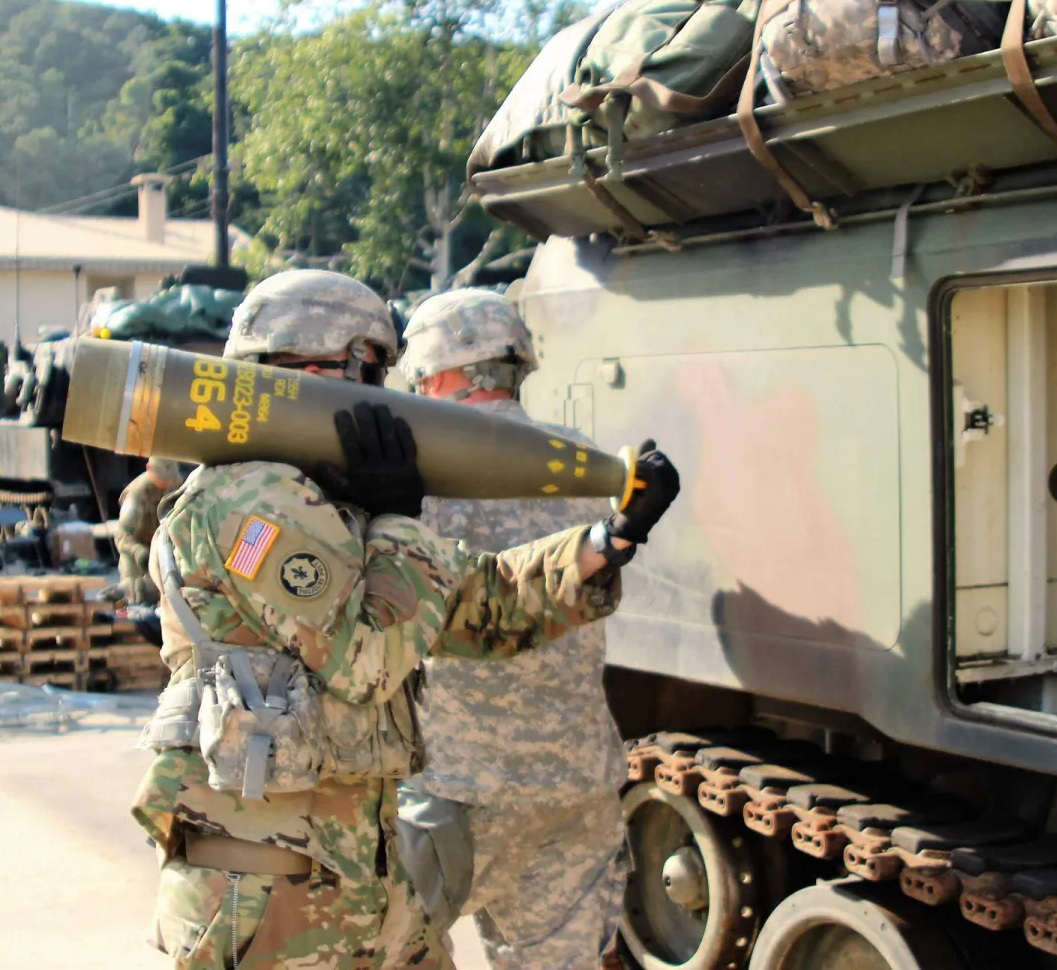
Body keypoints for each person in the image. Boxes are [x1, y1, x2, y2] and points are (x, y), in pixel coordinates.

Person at [129, 270, 680, 970]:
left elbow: (463, 602)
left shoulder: (320, 493)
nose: (383, 393)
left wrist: (608, 543)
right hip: (269, 893)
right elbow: (367, 659)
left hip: (356, 875)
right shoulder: (247, 499)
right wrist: (396, 518)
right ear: (323, 367)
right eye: (368, 370)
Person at [393, 288, 630, 970]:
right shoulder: (583, 461)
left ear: (436, 372)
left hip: (457, 790)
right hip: (575, 785)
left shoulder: (420, 477)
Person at [112, 457, 184, 606]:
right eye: (164, 479)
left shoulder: (176, 484)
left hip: (163, 548)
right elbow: (122, 536)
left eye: (171, 479)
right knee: (134, 594)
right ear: (150, 470)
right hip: (137, 554)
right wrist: (139, 552)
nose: (169, 484)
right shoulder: (136, 495)